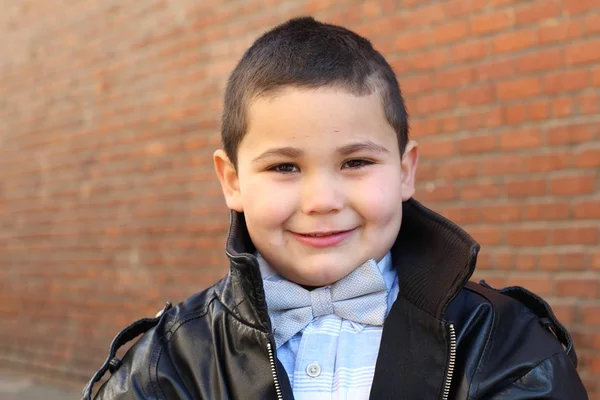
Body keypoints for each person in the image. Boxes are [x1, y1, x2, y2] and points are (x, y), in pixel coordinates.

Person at [83, 17, 588, 400]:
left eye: (356, 162)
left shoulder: (507, 348)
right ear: (232, 181)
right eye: (284, 167)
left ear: (405, 171)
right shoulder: (169, 363)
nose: (322, 202)